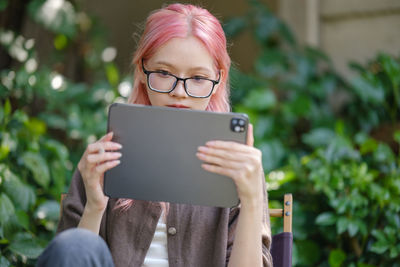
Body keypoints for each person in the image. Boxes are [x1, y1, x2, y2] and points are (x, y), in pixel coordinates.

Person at [36, 3, 273, 267]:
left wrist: (251, 201)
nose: (179, 92)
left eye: (197, 78)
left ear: (218, 80)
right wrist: (95, 205)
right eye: (163, 73)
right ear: (141, 71)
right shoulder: (105, 157)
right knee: (76, 243)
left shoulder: (239, 167)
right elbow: (72, 255)